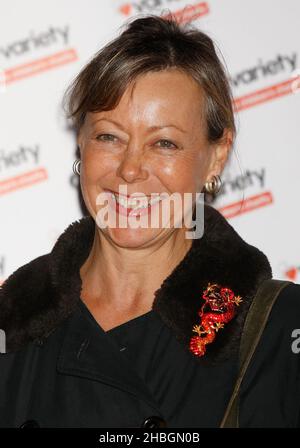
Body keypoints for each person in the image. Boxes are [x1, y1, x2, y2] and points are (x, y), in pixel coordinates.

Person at [0, 14, 300, 429]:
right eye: (109, 136)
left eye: (164, 143)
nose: (130, 169)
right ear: (81, 143)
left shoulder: (278, 330)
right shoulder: (11, 324)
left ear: (215, 156)